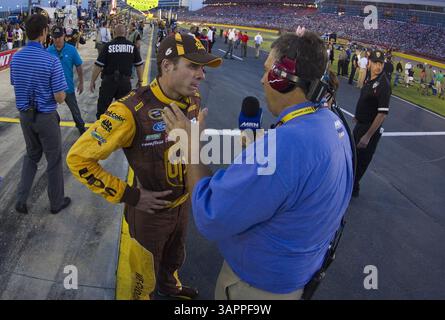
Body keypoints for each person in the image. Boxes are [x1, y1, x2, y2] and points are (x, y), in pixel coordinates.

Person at [163, 31, 353, 300]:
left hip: (256, 287)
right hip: (297, 275)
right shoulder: (332, 122)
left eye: (267, 72)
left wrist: (192, 147)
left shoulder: (284, 146)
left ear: (283, 78)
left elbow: (210, 214)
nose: (262, 79)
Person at [66, 33, 222, 299]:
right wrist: (130, 195)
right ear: (167, 66)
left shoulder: (193, 99)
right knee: (140, 280)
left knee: (175, 256)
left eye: (203, 68)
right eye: (193, 66)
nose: (202, 75)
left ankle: (169, 286)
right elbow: (78, 158)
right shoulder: (128, 110)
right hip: (149, 213)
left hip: (183, 204)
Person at [10, 14, 71, 214]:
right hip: (45, 117)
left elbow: (15, 83)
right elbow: (60, 97)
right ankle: (56, 202)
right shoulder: (51, 60)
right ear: (44, 33)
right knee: (53, 159)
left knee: (32, 155)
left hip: (25, 116)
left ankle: (21, 198)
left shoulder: (16, 57)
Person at [352, 50, 391, 197]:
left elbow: (382, 114)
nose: (378, 66)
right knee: (353, 156)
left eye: (381, 63)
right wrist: (358, 115)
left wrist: (368, 136)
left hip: (369, 129)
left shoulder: (383, 85)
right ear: (369, 63)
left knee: (360, 160)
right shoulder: (371, 80)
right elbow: (366, 101)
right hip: (361, 124)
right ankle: (350, 185)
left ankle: (352, 189)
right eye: (375, 63)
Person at [90, 24, 144, 119]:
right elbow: (139, 65)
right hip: (125, 82)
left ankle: (100, 129)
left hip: (108, 82)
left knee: (103, 108)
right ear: (126, 33)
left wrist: (92, 81)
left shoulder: (108, 46)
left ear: (114, 33)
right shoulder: (132, 47)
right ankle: (120, 130)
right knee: (123, 109)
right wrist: (140, 81)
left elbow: (98, 65)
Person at [48, 26, 86, 135]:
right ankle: (52, 128)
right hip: (53, 89)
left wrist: (81, 82)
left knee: (75, 111)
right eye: (55, 37)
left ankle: (81, 128)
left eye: (59, 37)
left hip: (67, 87)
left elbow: (78, 65)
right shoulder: (48, 51)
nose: (57, 39)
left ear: (64, 36)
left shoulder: (71, 49)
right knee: (49, 111)